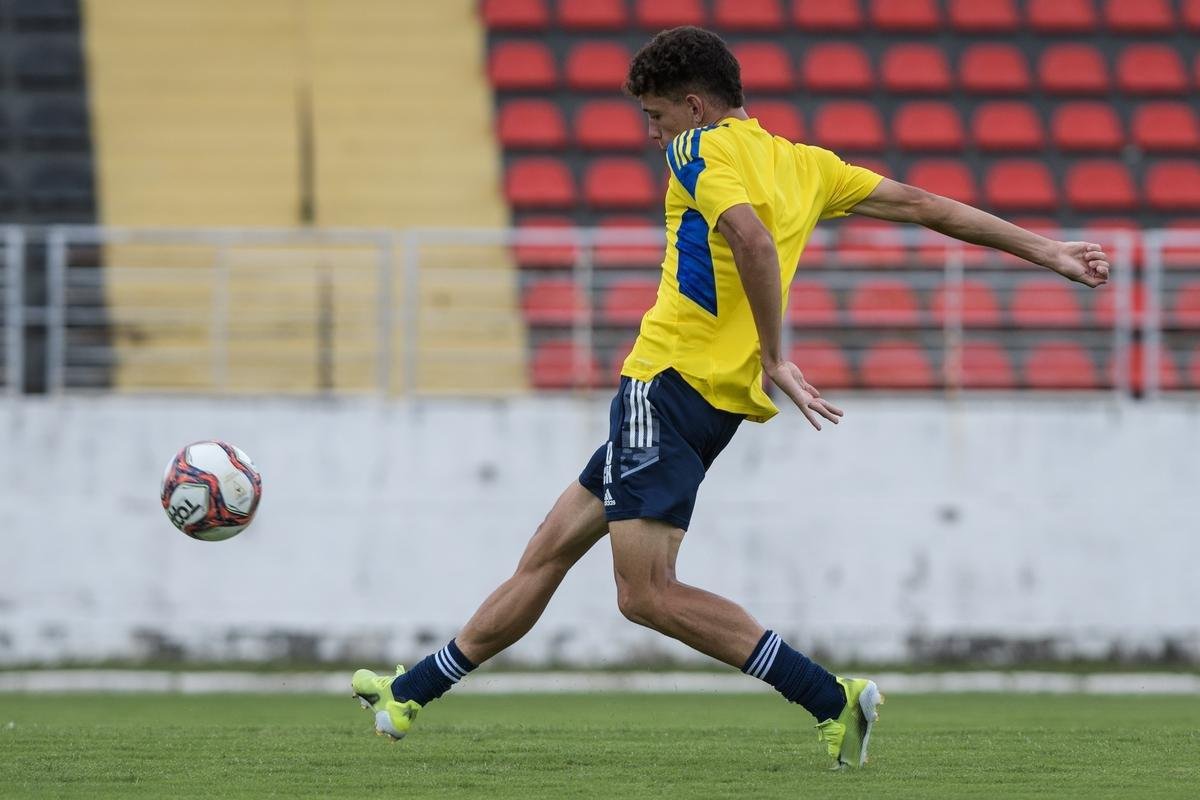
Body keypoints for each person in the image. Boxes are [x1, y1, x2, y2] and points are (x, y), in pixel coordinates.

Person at [352, 26, 1110, 769]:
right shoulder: (805, 164)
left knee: (644, 594)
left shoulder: (696, 150)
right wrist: (1047, 249)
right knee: (548, 553)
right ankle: (408, 694)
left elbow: (749, 239)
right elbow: (922, 205)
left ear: (693, 106)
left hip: (663, 385)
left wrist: (775, 354)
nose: (652, 134)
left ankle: (831, 698)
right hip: (709, 407)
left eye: (655, 116)